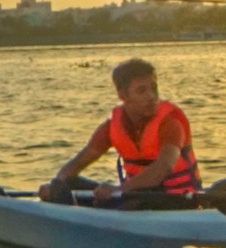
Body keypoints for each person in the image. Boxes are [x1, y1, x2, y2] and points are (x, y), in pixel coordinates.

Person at [43, 57, 202, 207]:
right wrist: (55, 186)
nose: (152, 97)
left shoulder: (170, 123)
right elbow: (76, 164)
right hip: (136, 196)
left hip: (176, 199)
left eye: (154, 88)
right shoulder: (111, 127)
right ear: (123, 95)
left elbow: (162, 169)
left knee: (133, 200)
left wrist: (118, 189)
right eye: (142, 91)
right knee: (66, 184)